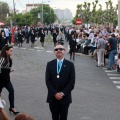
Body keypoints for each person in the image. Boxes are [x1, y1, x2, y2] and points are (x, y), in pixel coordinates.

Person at [45, 44, 75, 120]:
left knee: (63, 118)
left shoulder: (70, 65)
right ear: (54, 52)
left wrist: (62, 93)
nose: (59, 50)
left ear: (64, 51)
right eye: (56, 49)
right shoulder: (49, 64)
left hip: (65, 97)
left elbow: (71, 82)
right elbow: (48, 81)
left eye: (61, 49)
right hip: (53, 97)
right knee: (54, 117)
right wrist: (55, 93)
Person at [0, 45, 19, 115]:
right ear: (6, 51)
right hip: (1, 79)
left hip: (6, 79)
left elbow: (5, 68)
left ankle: (12, 107)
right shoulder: (2, 59)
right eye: (10, 50)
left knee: (11, 91)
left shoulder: (8, 59)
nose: (12, 52)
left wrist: (9, 70)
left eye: (12, 50)